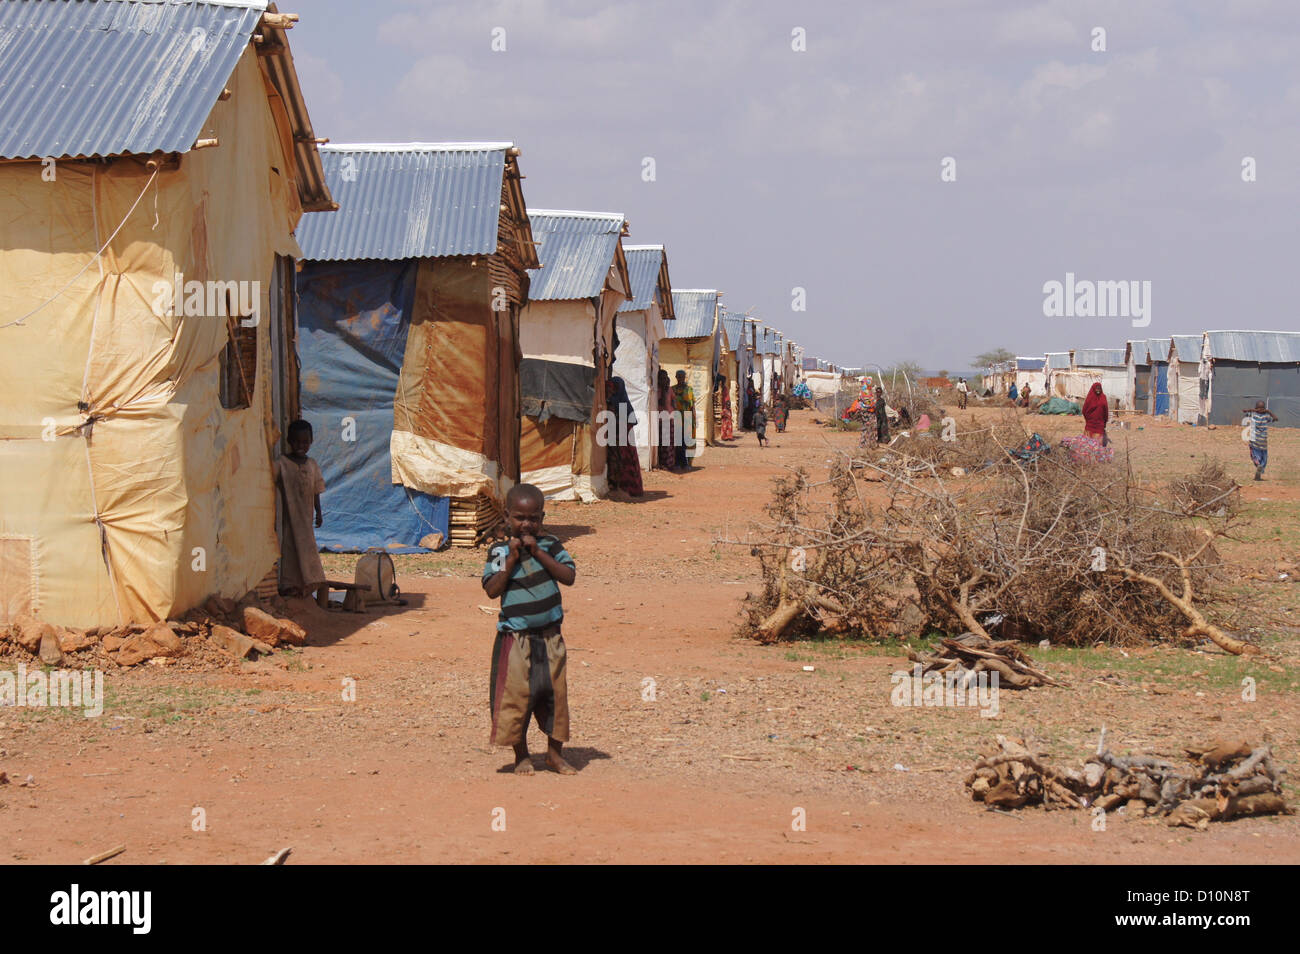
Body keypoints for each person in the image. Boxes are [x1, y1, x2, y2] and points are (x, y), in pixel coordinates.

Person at [481, 484, 578, 775]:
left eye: (533, 518)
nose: (526, 524)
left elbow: (568, 576)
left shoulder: (551, 545)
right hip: (516, 638)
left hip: (550, 637)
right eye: (520, 517)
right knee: (516, 697)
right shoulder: (498, 551)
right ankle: (520, 754)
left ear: (542, 517)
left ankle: (554, 754)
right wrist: (511, 561)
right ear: (508, 516)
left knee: (554, 696)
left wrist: (537, 552)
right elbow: (491, 589)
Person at [276, 419, 326, 598]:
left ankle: (308, 582)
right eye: (297, 441)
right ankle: (289, 585)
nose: (301, 445)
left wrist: (319, 513)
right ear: (289, 440)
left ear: (311, 442)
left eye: (305, 442)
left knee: (307, 548)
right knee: (289, 548)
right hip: (289, 517)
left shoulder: (312, 464)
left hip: (306, 516)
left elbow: (316, 490)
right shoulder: (282, 463)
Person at [604, 376, 643, 496]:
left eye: (614, 388)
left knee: (621, 462)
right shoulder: (622, 401)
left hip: (621, 439)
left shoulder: (616, 401)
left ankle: (623, 487)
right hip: (622, 439)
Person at [1243, 401, 1279, 480]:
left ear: (1255, 408)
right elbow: (1276, 418)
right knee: (1264, 457)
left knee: (1254, 454)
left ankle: (1257, 463)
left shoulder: (1253, 415)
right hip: (1263, 441)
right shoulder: (1266, 416)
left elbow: (1245, 413)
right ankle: (1260, 468)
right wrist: (1268, 411)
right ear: (1265, 409)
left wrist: (1252, 410)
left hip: (1254, 440)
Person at [671, 370, 696, 470]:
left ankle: (686, 463)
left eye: (682, 376)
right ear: (676, 377)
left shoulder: (689, 389)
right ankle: (678, 462)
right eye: (679, 376)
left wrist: (694, 418)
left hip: (687, 419)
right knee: (677, 442)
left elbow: (693, 405)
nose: (680, 378)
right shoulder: (672, 389)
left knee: (686, 441)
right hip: (676, 418)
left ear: (685, 377)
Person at [656, 368, 675, 471]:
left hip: (669, 419)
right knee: (662, 443)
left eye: (665, 377)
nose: (664, 380)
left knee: (669, 443)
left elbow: (673, 402)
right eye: (661, 378)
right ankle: (663, 463)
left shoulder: (669, 390)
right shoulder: (657, 390)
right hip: (660, 419)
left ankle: (669, 463)